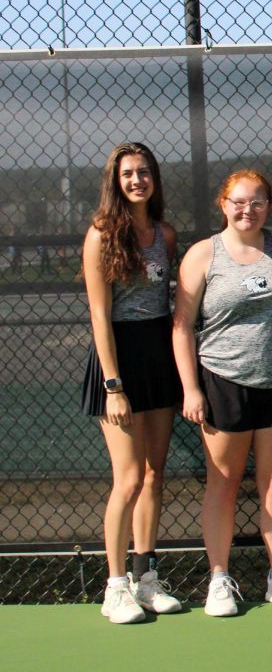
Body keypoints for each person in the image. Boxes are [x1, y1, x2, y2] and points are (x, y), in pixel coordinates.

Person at [173, 169, 272, 616]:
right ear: (223, 203)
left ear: (268, 206)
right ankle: (218, 579)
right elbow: (181, 326)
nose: (246, 210)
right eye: (238, 201)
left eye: (256, 202)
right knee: (224, 483)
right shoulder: (201, 255)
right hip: (221, 382)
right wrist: (191, 388)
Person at [81, 142, 183, 624]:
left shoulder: (165, 233)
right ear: (115, 181)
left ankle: (146, 579)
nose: (136, 179)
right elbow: (100, 315)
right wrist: (113, 383)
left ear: (154, 179)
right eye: (127, 173)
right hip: (118, 363)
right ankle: (114, 587)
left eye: (144, 172)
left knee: (152, 475)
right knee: (127, 479)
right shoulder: (101, 235)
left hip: (158, 358)